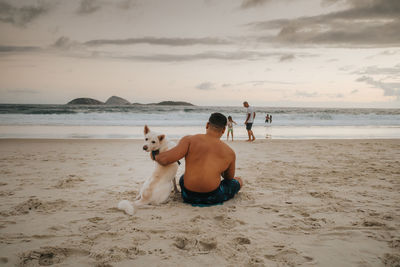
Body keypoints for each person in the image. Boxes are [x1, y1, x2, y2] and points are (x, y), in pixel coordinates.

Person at [152, 113, 243, 206]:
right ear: (224, 130)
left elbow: (165, 160)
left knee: (183, 177)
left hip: (188, 195)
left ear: (207, 125)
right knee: (238, 181)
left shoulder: (189, 140)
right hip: (213, 197)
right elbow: (229, 178)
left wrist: (154, 155)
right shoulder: (230, 152)